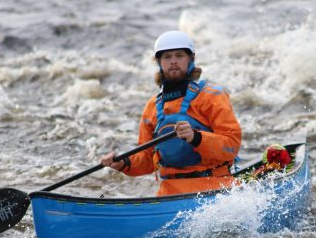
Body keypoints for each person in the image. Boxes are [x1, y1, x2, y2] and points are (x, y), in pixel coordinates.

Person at [100, 30, 242, 196]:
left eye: (179, 55)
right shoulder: (152, 107)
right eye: (167, 57)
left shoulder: (213, 96)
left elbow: (232, 146)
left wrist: (195, 137)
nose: (173, 61)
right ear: (159, 62)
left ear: (190, 59)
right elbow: (146, 159)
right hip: (170, 192)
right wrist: (122, 163)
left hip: (217, 187)